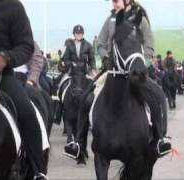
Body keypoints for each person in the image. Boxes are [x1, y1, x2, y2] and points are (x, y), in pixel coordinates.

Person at [73, 0, 172, 159]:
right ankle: (78, 143)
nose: (114, 3)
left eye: (116, 0)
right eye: (113, 1)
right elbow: (100, 44)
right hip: (113, 70)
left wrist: (139, 63)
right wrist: (106, 57)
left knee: (158, 95)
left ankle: (160, 139)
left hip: (135, 72)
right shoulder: (110, 20)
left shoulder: (141, 20)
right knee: (86, 97)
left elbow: (149, 46)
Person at [0, 0, 47, 179]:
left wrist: (6, 57)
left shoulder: (12, 6)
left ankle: (38, 171)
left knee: (27, 112)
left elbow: (26, 45)